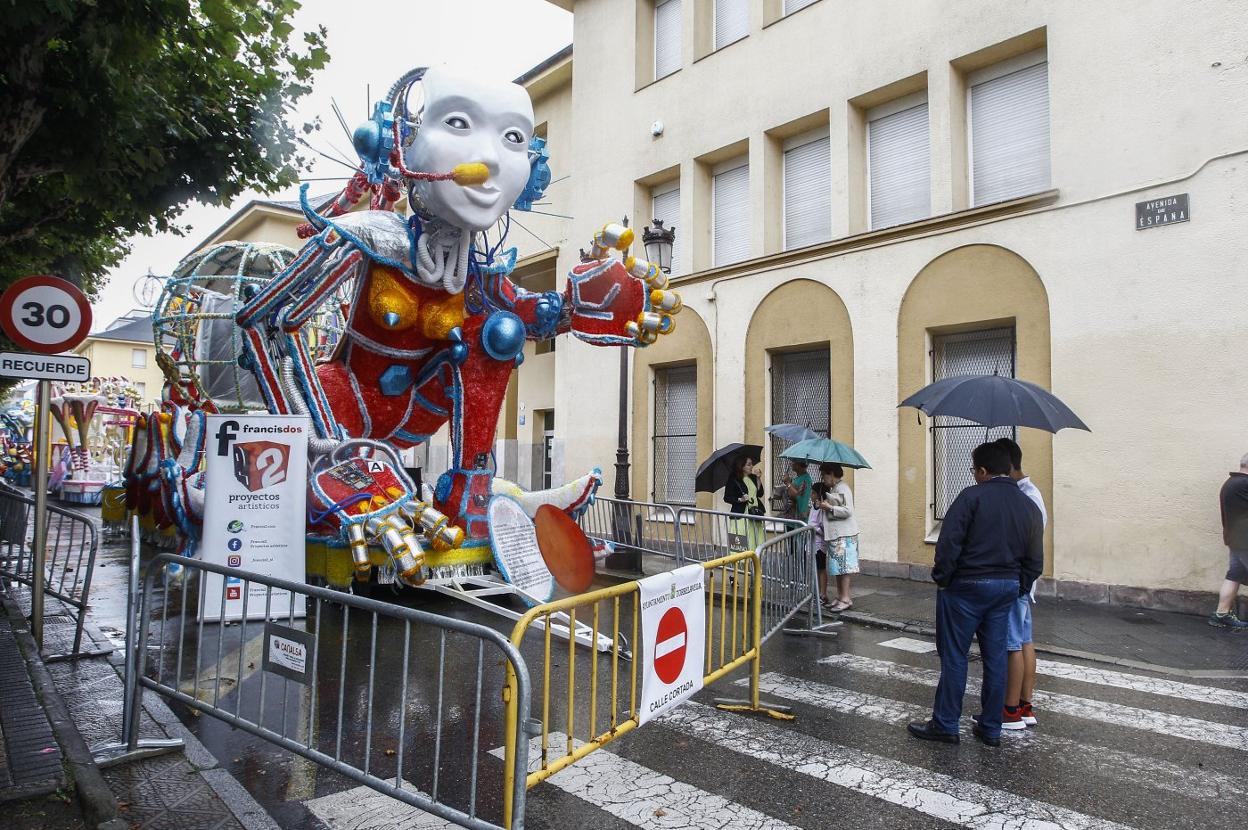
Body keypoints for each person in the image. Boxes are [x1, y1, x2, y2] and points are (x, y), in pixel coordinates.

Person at [908, 441, 1043, 748]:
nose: (974, 475)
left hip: (966, 587)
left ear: (982, 471)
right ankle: (992, 726)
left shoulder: (971, 497)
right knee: (995, 657)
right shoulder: (1028, 505)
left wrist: (943, 579)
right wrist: (1019, 584)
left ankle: (946, 724)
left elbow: (949, 544)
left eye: (974, 470)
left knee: (955, 655)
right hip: (1006, 587)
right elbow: (1035, 558)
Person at [995, 438, 1048, 730]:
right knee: (1025, 640)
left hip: (1018, 580)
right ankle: (1025, 705)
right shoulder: (1029, 492)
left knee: (1013, 643)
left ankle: (1010, 710)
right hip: (1026, 581)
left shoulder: (1025, 496)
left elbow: (1025, 543)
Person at [811, 462, 858, 611]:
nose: (823, 479)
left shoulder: (843, 488)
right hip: (837, 535)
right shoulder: (836, 488)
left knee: (843, 568)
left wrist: (829, 507)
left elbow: (848, 511)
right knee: (838, 568)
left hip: (844, 535)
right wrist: (824, 506)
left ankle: (845, 598)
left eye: (824, 475)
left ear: (831, 473)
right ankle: (840, 597)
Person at [1211, 452, 1248, 629]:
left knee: (1234, 575)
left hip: (1236, 539)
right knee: (1234, 574)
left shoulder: (1231, 483)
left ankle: (1221, 614)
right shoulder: (1245, 484)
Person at [724, 456, 765, 549]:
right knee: (740, 546)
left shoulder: (753, 478)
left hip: (754, 514)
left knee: (754, 543)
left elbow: (760, 493)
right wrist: (740, 499)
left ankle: (752, 562)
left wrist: (758, 478)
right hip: (741, 516)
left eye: (752, 464)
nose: (752, 466)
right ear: (741, 466)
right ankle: (740, 563)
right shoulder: (733, 479)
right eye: (748, 464)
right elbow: (727, 498)